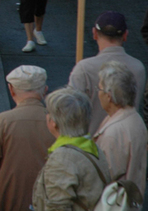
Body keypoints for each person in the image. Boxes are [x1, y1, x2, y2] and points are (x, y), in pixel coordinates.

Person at [0, 65, 55, 211]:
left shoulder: (2, 122)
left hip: (4, 203)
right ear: (45, 90)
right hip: (45, 203)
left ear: (11, 89)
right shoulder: (56, 122)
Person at [32, 88, 110, 211]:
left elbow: (57, 207)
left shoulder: (62, 159)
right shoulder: (91, 147)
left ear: (54, 122)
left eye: (48, 112)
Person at [68, 11, 146, 134]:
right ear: (125, 35)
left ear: (94, 34)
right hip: (130, 135)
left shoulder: (84, 68)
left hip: (92, 145)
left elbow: (71, 110)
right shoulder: (138, 68)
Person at [93, 60, 148, 196]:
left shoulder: (113, 133)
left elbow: (105, 177)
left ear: (109, 96)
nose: (98, 93)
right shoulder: (133, 117)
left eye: (99, 89)